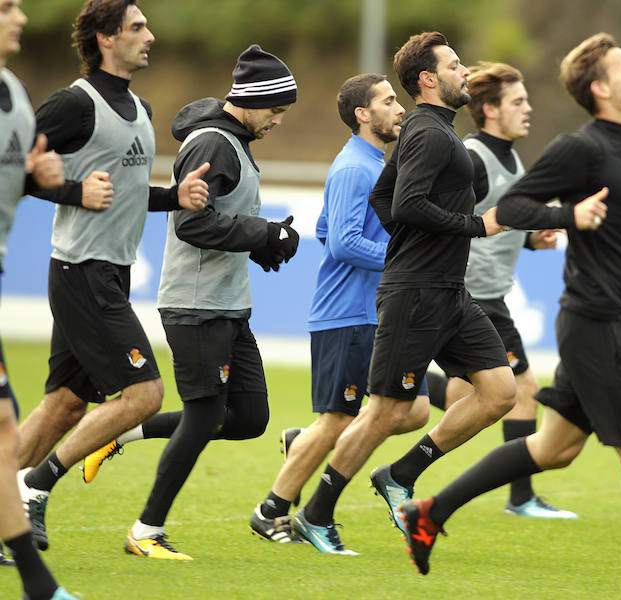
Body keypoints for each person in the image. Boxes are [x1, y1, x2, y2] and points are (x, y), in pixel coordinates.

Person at [397, 33, 621, 600]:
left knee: (554, 449)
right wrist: (569, 215)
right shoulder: (584, 148)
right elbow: (518, 205)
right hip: (594, 326)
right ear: (600, 89)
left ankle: (429, 510)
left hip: (612, 324)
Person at [289, 31, 517, 555]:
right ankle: (315, 513)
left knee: (500, 391)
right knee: (387, 411)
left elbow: (384, 195)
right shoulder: (430, 133)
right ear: (429, 79)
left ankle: (401, 473)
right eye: (455, 65)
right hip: (416, 293)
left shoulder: (428, 130)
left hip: (447, 291)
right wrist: (473, 227)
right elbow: (409, 203)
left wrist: (416, 243)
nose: (465, 72)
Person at [16, 0, 209, 552]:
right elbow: (17, 169)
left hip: (109, 275)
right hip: (82, 273)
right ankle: (33, 487)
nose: (150, 35)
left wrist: (176, 197)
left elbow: (124, 192)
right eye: (137, 27)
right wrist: (73, 192)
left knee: (64, 404)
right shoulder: (74, 105)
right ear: (106, 38)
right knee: (144, 393)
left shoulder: (141, 108)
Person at [113, 44, 299, 560]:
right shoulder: (213, 142)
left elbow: (223, 220)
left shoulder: (235, 141)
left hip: (228, 306)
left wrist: (261, 245)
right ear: (252, 99)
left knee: (249, 417)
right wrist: (260, 232)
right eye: (276, 110)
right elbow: (191, 223)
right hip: (195, 306)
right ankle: (145, 532)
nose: (279, 121)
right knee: (202, 417)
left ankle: (125, 432)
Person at [245, 72, 434, 544]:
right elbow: (344, 242)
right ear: (362, 115)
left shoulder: (371, 164)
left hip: (372, 314)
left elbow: (330, 229)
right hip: (347, 314)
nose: (400, 108)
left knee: (412, 411)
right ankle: (271, 511)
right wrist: (402, 260)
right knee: (340, 420)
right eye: (389, 101)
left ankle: (303, 442)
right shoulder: (355, 168)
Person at [426, 61, 575, 519]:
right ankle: (521, 498)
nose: (528, 109)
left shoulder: (509, 155)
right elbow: (439, 217)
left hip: (487, 292)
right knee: (522, 386)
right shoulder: (471, 158)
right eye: (518, 102)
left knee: (454, 395)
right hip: (473, 294)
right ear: (489, 109)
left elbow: (494, 218)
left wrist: (530, 238)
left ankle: (345, 416)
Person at [0, 1, 80, 598]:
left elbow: (18, 179)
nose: (21, 17)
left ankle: (35, 583)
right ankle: (39, 585)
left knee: (5, 431)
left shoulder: (15, 95)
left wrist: (41, 179)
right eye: (6, 7)